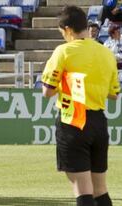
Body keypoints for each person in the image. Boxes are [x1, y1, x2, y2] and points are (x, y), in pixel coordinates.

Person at [41, 6, 120, 206]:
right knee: (100, 190)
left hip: (73, 120)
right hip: (99, 123)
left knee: (83, 191)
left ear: (67, 29)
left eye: (62, 33)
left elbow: (47, 92)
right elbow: (114, 94)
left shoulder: (63, 51)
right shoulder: (107, 54)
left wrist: (67, 83)